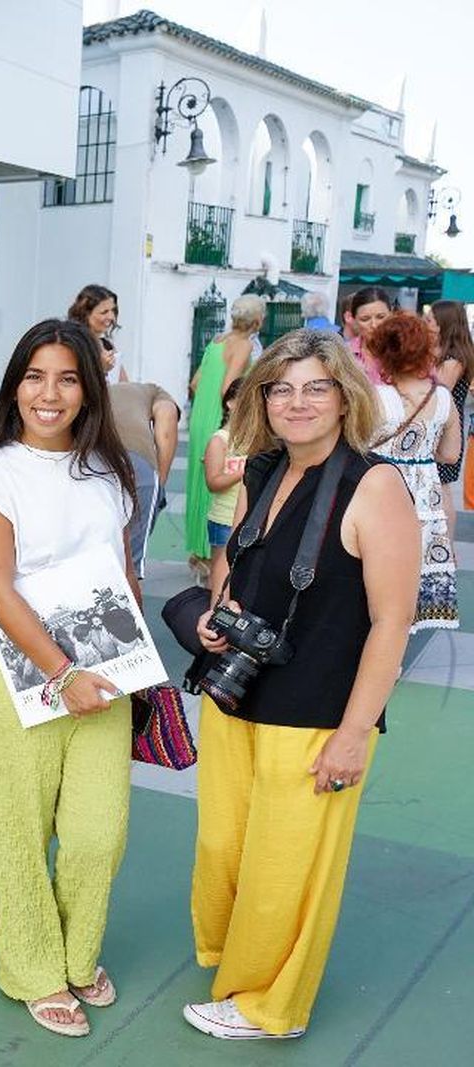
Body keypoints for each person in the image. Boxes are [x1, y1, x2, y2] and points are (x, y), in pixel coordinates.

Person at [186, 329, 419, 1040]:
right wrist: (215, 615)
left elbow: (392, 620)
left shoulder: (373, 484)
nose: (297, 402)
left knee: (289, 866)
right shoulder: (263, 468)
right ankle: (239, 963)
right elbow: (238, 558)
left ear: (345, 395)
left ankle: (270, 1004)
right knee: (227, 850)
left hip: (317, 711)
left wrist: (353, 734)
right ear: (262, 399)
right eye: (281, 387)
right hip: (239, 696)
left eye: (316, 386)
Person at [0, 318, 139, 1039]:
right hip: (21, 674)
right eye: (35, 376)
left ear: (87, 388)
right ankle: (36, 968)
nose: (50, 392)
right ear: (15, 386)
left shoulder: (109, 472)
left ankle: (77, 950)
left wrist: (133, 662)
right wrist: (62, 671)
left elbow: (123, 572)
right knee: (20, 830)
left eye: (67, 377)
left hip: (105, 673)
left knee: (99, 833)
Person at [368, 311, 460, 633]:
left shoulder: (376, 398)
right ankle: (396, 650)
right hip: (425, 499)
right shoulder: (444, 399)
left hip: (380, 491)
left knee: (376, 571)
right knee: (411, 575)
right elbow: (450, 454)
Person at [186, 294, 265, 563]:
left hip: (200, 415)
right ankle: (210, 557)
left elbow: (195, 383)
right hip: (219, 417)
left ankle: (198, 551)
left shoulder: (217, 341)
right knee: (216, 480)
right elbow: (227, 388)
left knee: (199, 481)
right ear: (257, 321)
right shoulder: (243, 345)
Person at [108, 379, 179, 578]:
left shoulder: (99, 388)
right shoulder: (157, 392)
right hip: (136, 460)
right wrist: (160, 481)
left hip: (93, 457)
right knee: (132, 559)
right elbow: (166, 428)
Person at [430, 300, 473, 537]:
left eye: (431, 321)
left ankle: (445, 544)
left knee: (442, 487)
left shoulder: (453, 359)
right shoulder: (450, 355)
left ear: (443, 324)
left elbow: (440, 389)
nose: (427, 325)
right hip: (444, 427)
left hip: (446, 429)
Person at [203, 378, 248, 579]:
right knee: (220, 578)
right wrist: (245, 469)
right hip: (224, 520)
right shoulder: (219, 440)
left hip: (249, 520)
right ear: (230, 403)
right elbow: (213, 483)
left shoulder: (258, 438)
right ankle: (212, 611)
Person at [69, 284, 127, 383]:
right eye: (104, 312)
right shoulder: (74, 345)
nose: (111, 317)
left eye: (113, 311)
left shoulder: (107, 345)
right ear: (85, 314)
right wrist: (102, 369)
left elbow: (124, 384)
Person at [347, 286, 394, 384]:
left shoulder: (406, 351)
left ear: (391, 314)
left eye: (381, 317)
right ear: (353, 320)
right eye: (365, 319)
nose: (374, 325)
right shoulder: (344, 354)